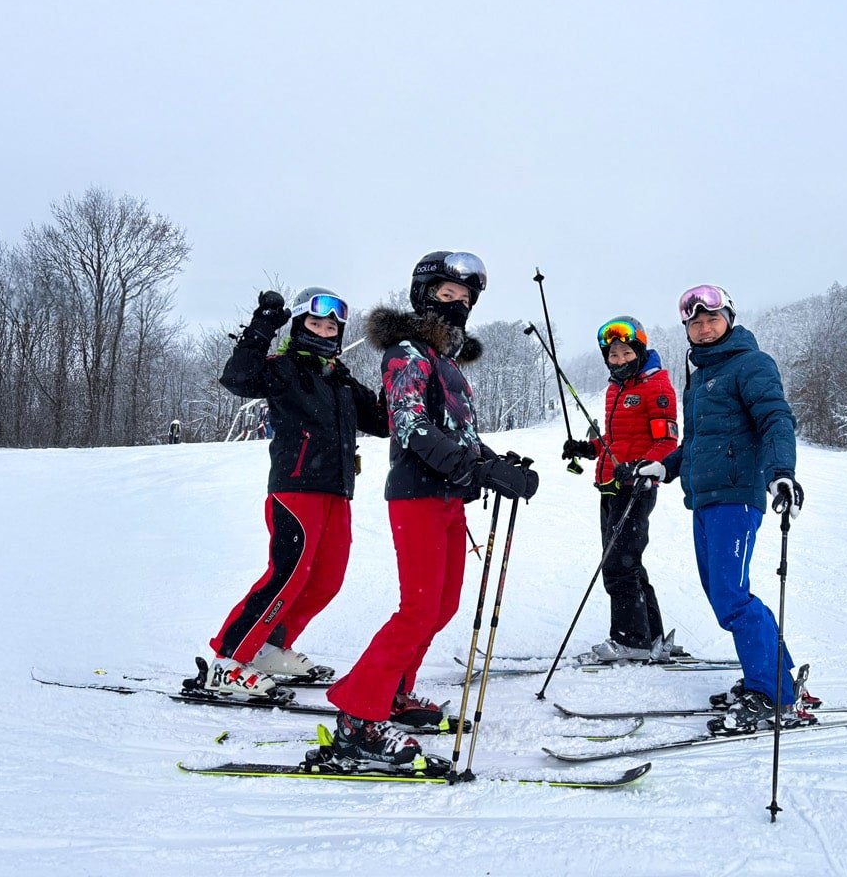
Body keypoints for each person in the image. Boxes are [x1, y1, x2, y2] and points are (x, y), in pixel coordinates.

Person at [326, 251, 539, 767]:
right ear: (424, 296)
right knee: (418, 608)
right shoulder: (407, 354)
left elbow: (458, 435)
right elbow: (410, 425)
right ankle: (358, 715)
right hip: (418, 495)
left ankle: (393, 691)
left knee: (441, 607)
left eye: (465, 299)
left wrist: (494, 463)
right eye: (447, 295)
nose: (458, 305)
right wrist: (475, 469)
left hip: (449, 497)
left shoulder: (445, 361)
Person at [634, 285, 814, 733]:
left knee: (732, 598)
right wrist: (666, 465)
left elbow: (775, 417)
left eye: (712, 319)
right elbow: (699, 444)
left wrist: (781, 470)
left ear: (729, 319)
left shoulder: (751, 364)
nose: (704, 327)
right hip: (707, 499)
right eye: (695, 323)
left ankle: (773, 695)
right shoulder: (701, 377)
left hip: (737, 497)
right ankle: (779, 675)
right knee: (723, 595)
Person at [205, 286, 388, 697]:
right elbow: (238, 378)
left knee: (326, 579)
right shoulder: (285, 368)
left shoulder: (338, 377)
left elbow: (382, 422)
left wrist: (400, 379)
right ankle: (228, 659)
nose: (323, 332)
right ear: (300, 325)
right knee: (287, 576)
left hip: (337, 491)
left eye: (331, 327)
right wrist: (263, 325)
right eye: (315, 323)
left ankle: (271, 647)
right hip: (296, 487)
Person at [560, 315, 679, 662]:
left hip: (636, 486)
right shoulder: (617, 388)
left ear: (639, 351)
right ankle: (652, 636)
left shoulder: (655, 387)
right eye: (613, 356)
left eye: (626, 353)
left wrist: (641, 469)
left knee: (618, 565)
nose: (620, 360)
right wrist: (587, 448)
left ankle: (631, 640)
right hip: (611, 485)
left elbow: (667, 442)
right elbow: (616, 442)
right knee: (630, 563)